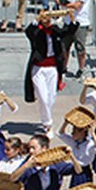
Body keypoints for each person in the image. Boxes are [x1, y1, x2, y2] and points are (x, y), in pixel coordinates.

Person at [25, 10, 78, 138]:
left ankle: (46, 121)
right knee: (43, 97)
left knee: (51, 98)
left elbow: (68, 32)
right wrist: (38, 19)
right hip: (39, 68)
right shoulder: (37, 31)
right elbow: (29, 32)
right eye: (45, 18)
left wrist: (72, 18)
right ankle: (48, 124)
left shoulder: (55, 30)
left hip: (52, 68)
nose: (47, 20)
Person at [59, 0, 91, 77]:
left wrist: (64, 3)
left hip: (79, 21)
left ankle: (81, 69)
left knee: (80, 47)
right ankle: (63, 67)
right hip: (68, 20)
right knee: (64, 45)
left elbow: (77, 4)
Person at [56, 118, 96, 190]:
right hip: (75, 169)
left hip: (84, 171)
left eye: (74, 131)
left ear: (82, 132)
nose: (72, 133)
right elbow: (60, 134)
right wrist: (65, 123)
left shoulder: (89, 144)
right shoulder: (73, 141)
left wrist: (92, 133)